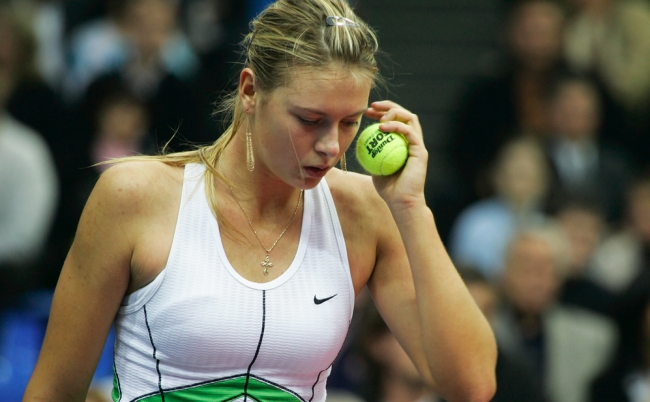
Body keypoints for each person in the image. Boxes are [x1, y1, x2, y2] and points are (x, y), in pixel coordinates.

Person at [23, 1, 497, 401]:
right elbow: (53, 391)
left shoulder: (365, 211)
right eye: (309, 119)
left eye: (350, 122)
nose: (332, 146)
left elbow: (471, 386)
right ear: (250, 90)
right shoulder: (135, 195)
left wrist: (412, 209)